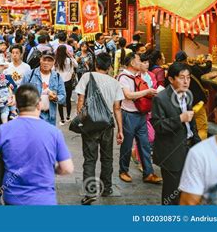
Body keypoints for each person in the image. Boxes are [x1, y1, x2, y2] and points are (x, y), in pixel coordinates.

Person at [0, 84, 74, 205]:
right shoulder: (53, 132)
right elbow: (67, 168)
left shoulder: (3, 130)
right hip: (44, 199)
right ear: (39, 104)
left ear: (16, 105)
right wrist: (54, 169)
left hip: (13, 197)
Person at [75, 52, 125, 205]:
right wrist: (120, 130)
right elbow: (117, 108)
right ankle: (107, 187)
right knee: (107, 157)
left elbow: (80, 101)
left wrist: (82, 120)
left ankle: (90, 192)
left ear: (96, 64)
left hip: (90, 124)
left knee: (90, 159)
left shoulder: (87, 77)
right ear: (110, 67)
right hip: (107, 125)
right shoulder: (115, 83)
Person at [151, 62, 201, 205]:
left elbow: (192, 123)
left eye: (188, 77)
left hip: (189, 148)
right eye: (181, 77)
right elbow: (158, 125)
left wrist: (198, 144)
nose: (186, 81)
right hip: (171, 151)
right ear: (171, 79)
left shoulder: (187, 95)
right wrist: (179, 118)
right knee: (172, 192)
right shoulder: (161, 98)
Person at [117, 53, 162, 185]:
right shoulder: (123, 77)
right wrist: (147, 92)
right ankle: (123, 171)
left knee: (145, 144)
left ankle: (148, 173)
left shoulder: (140, 75)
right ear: (132, 63)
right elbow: (128, 95)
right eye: (138, 60)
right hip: (129, 115)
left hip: (142, 114)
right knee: (127, 145)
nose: (141, 62)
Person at [22, 50, 66, 126]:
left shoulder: (57, 77)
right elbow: (21, 93)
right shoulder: (29, 75)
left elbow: (63, 96)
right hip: (33, 116)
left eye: (49, 60)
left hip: (50, 116)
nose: (46, 63)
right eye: (44, 60)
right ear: (40, 60)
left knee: (48, 137)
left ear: (53, 62)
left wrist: (56, 98)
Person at [175, 51, 209, 141]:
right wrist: (209, 61)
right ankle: (200, 147)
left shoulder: (172, 71)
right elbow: (205, 71)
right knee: (201, 127)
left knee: (187, 127)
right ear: (186, 59)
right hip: (196, 103)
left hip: (181, 105)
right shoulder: (192, 68)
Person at [54, 45, 78, 125]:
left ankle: (62, 120)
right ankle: (68, 117)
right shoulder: (69, 60)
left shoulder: (56, 61)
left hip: (59, 82)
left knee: (60, 101)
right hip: (68, 82)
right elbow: (76, 65)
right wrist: (71, 56)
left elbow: (52, 71)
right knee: (68, 100)